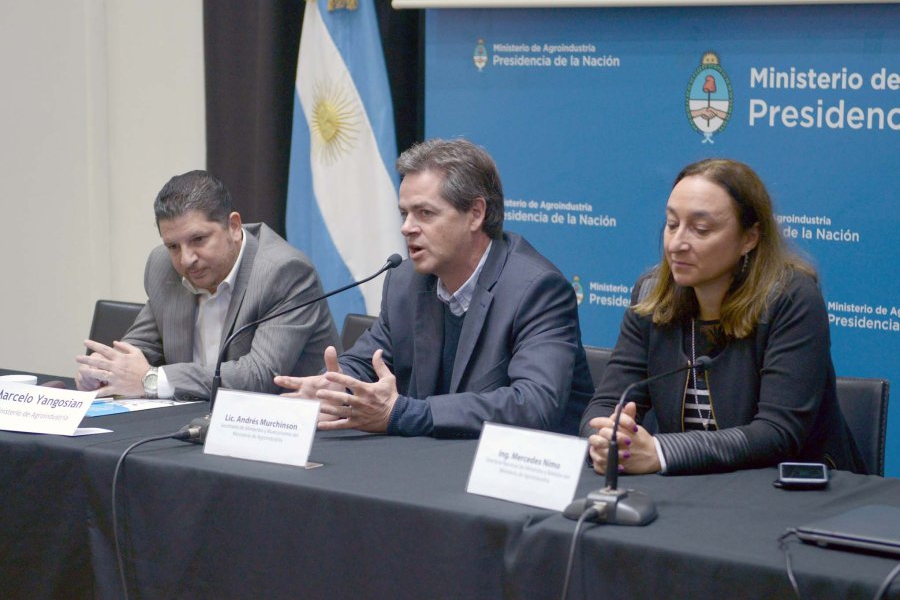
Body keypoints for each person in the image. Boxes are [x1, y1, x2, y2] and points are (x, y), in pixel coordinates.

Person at [276, 138, 594, 437]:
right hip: (433, 466)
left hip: (524, 474)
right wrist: (336, 386)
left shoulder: (536, 289)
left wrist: (406, 413)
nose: (406, 228)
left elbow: (533, 404)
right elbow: (367, 361)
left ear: (476, 214)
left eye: (425, 213)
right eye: (404, 213)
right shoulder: (404, 281)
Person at [581, 159, 865, 475]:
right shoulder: (650, 295)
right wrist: (607, 443)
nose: (676, 244)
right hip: (689, 492)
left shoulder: (791, 298)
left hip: (788, 493)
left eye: (701, 229)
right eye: (672, 224)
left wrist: (661, 452)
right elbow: (607, 404)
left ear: (750, 238)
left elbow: (777, 433)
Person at [75, 170, 339, 400]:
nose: (186, 259)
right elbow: (145, 346)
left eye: (199, 239)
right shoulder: (162, 265)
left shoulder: (283, 272)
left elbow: (259, 376)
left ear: (234, 226)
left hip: (285, 429)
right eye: (173, 246)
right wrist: (106, 370)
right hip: (195, 419)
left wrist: (152, 380)